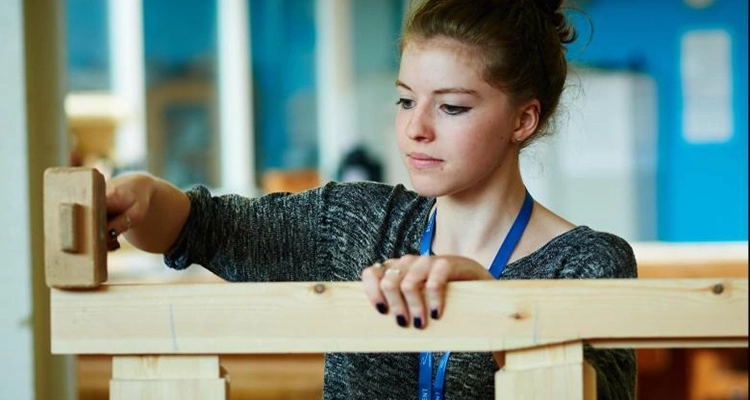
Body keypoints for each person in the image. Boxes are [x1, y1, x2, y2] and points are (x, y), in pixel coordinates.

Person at [105, 0, 638, 398]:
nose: (415, 129)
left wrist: (492, 306)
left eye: (451, 107)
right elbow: (197, 226)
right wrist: (140, 199)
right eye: (406, 100)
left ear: (524, 119)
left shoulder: (590, 263)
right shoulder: (355, 224)